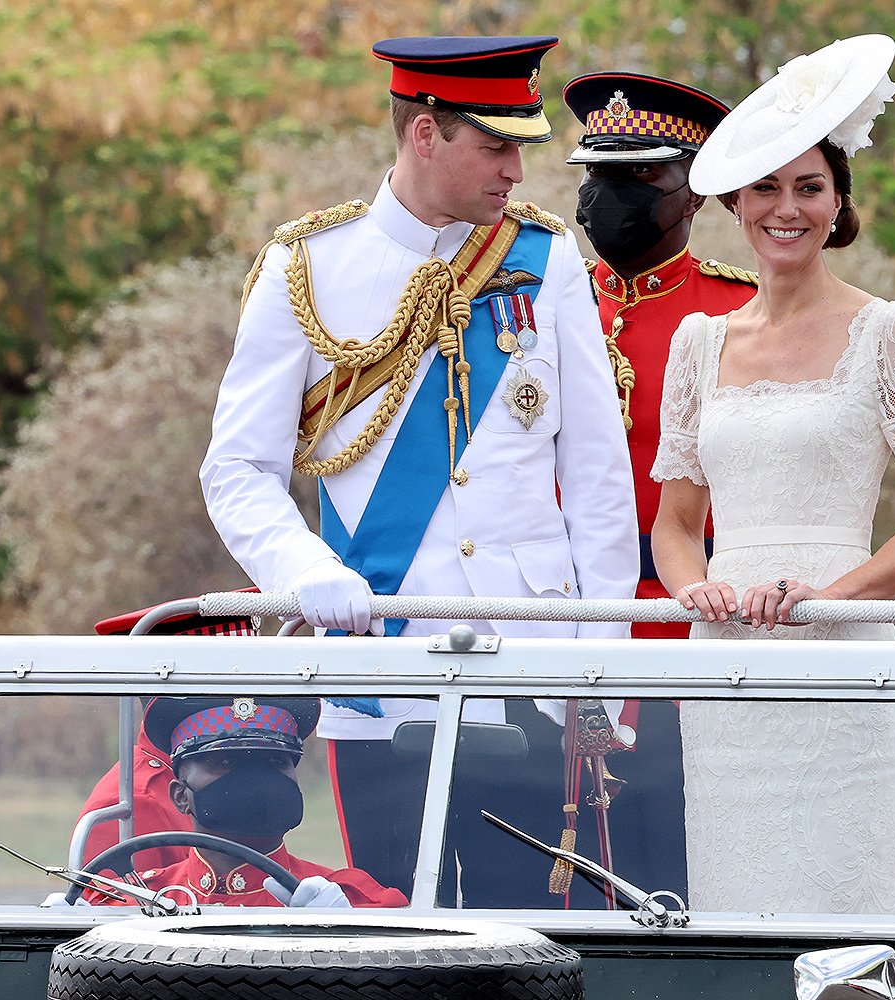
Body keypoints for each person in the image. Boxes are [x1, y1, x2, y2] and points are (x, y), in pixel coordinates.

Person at [198, 36, 637, 898]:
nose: (517, 170)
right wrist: (304, 571)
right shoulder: (306, 265)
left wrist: (597, 670)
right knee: (393, 927)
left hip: (535, 666)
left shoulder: (546, 260)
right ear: (426, 133)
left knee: (537, 934)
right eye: (497, 145)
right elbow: (238, 468)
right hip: (380, 671)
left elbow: (597, 481)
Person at [647, 35, 895, 914]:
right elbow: (675, 525)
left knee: (848, 903)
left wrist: (827, 598)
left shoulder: (894, 328)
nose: (785, 209)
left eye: (808, 187)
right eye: (765, 188)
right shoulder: (697, 342)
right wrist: (692, 589)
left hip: (841, 652)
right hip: (726, 667)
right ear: (735, 203)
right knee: (732, 901)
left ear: (837, 203)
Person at [564, 72, 757, 640]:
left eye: (640, 174)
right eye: (598, 173)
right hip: (559, 607)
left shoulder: (742, 310)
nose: (608, 193)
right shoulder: (545, 304)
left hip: (698, 607)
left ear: (694, 192)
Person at [85, 695, 406, 908]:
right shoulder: (136, 904)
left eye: (275, 762)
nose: (257, 780)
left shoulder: (353, 901)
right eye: (227, 762)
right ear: (180, 795)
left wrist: (349, 941)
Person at [73, 599, 259, 872]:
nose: (250, 705)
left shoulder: (239, 770)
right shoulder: (136, 802)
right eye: (233, 688)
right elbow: (122, 900)